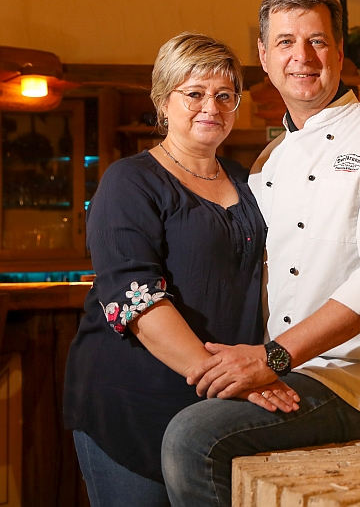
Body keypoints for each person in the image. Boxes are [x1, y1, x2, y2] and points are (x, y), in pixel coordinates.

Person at [160, 0, 360, 507]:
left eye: (317, 42)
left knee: (194, 439)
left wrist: (273, 360)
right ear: (263, 56)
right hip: (290, 373)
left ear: (339, 51)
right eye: (285, 42)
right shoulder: (270, 163)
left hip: (356, 381)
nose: (302, 58)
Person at [63, 32, 298, 507]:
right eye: (194, 93)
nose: (211, 105)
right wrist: (231, 379)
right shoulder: (129, 181)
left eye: (224, 95)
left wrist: (263, 363)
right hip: (132, 400)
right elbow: (136, 299)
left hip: (214, 405)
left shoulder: (244, 179)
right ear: (162, 102)